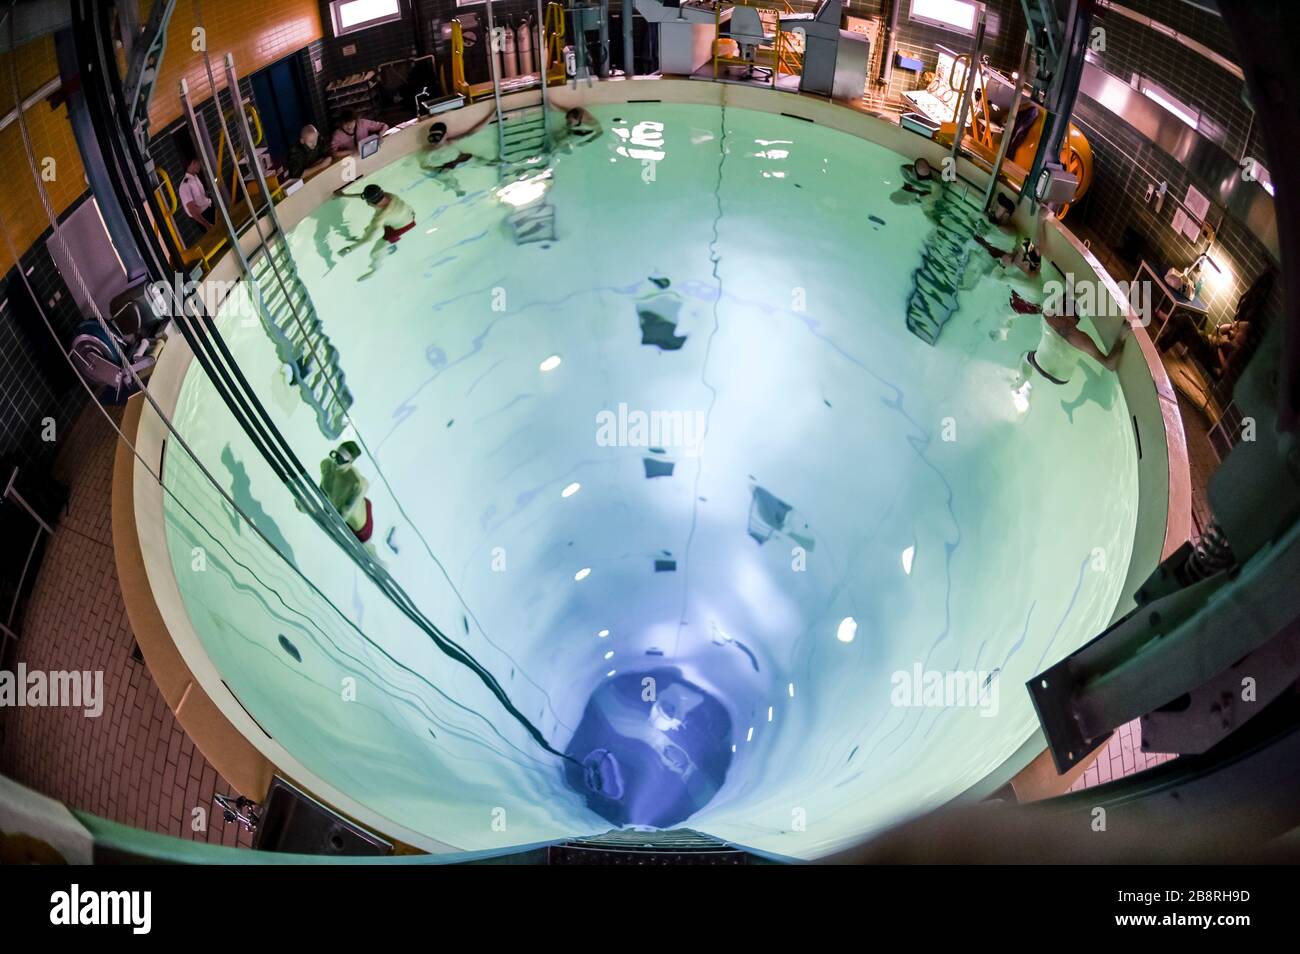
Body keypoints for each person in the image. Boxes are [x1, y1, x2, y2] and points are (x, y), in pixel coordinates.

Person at [1017, 295, 1126, 385]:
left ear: (1058, 311)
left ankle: (1020, 382)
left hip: (1039, 364)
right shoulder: (1083, 341)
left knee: (1024, 356)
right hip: (1061, 379)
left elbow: (1052, 300)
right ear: (1077, 321)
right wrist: (1121, 336)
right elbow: (1110, 365)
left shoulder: (1047, 317)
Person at [333, 183, 415, 281]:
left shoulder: (380, 218)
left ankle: (375, 270)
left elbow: (369, 239)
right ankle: (388, 244)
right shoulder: (389, 196)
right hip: (408, 214)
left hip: (401, 228)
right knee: (368, 229)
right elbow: (362, 196)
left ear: (370, 202)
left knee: (375, 253)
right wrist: (344, 194)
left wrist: (348, 249)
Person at [319, 441, 376, 544]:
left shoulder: (356, 484)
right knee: (357, 492)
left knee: (367, 544)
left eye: (341, 459)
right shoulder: (326, 465)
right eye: (335, 455)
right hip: (349, 503)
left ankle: (370, 548)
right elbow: (322, 491)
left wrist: (316, 513)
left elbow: (341, 517)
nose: (336, 461)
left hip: (362, 529)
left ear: (350, 461)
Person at [178, 157, 215, 227]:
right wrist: (207, 224)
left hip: (210, 209)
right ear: (193, 163)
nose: (200, 167)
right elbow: (192, 209)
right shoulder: (185, 185)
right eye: (198, 164)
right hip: (204, 216)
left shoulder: (195, 177)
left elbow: (199, 197)